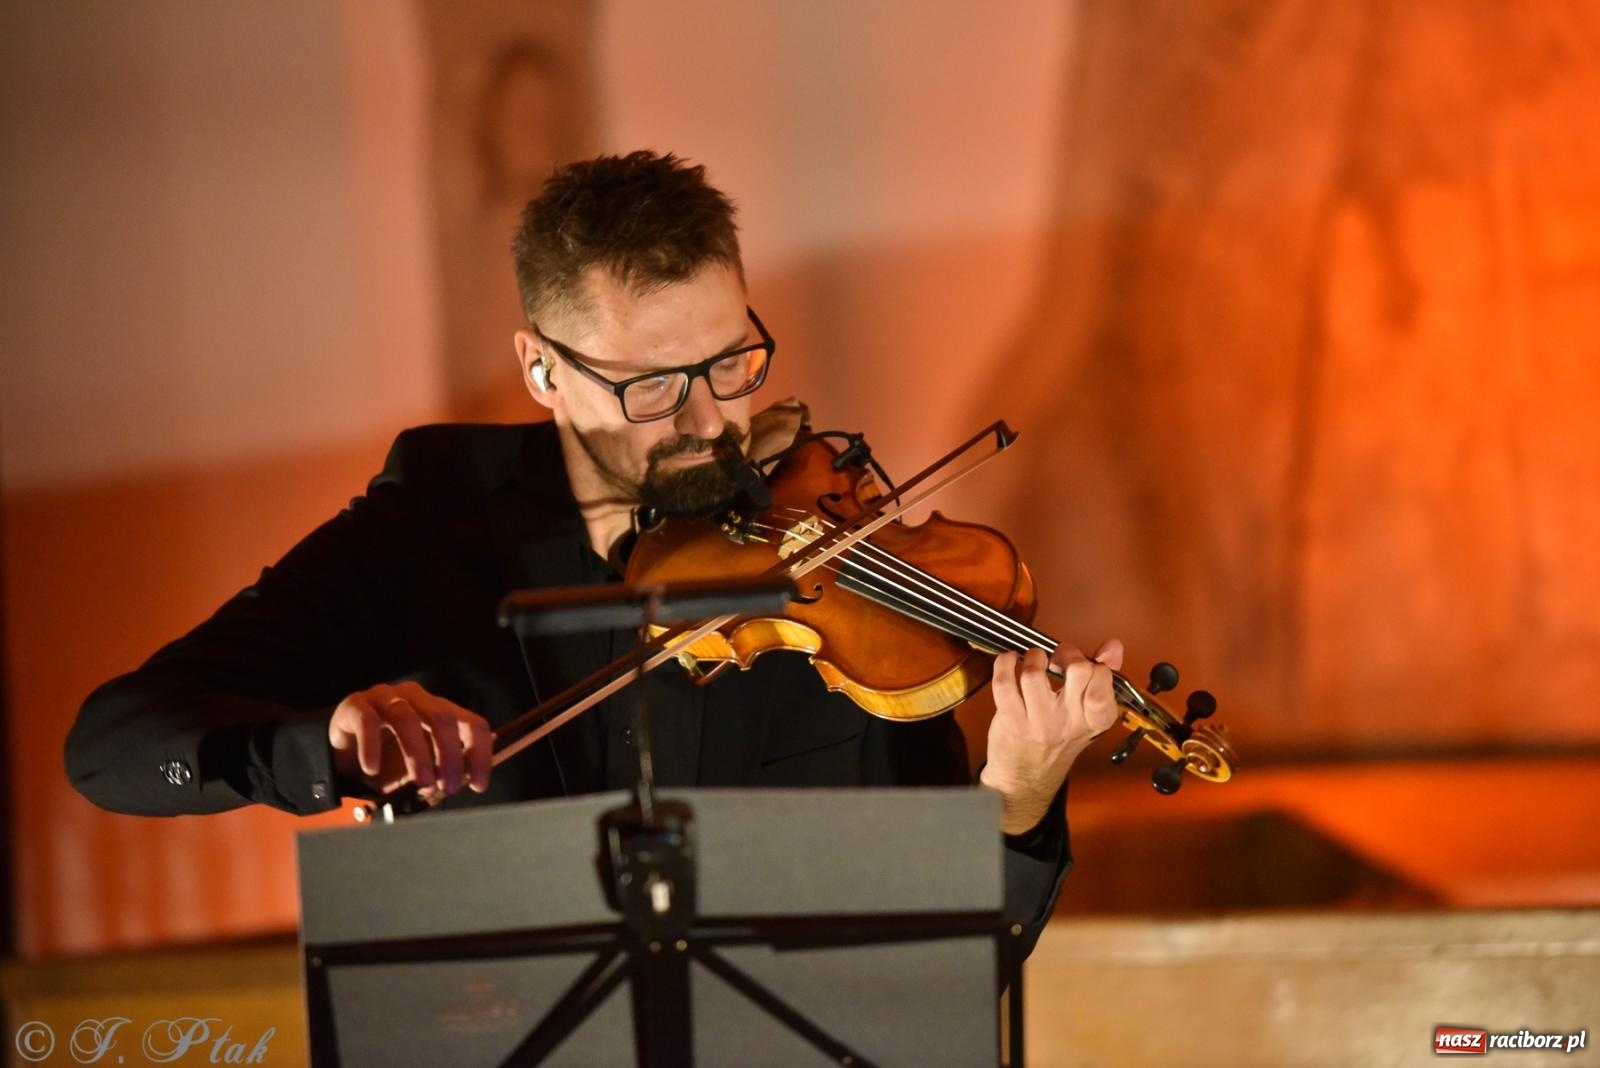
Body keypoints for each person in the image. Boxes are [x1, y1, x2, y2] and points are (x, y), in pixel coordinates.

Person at [64, 151, 1122, 957]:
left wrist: (1017, 802)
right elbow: (112, 743)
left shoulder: (831, 585)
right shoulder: (425, 530)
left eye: (731, 363)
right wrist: (326, 745)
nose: (711, 424)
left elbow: (948, 964)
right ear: (541, 370)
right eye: (652, 386)